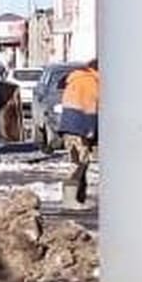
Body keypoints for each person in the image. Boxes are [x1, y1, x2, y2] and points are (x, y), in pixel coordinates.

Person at [58, 58, 100, 208]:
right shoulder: (90, 82)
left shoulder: (78, 79)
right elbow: (90, 107)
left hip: (70, 126)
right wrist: (91, 130)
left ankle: (78, 198)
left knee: (81, 162)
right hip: (79, 127)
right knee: (78, 163)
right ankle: (70, 201)